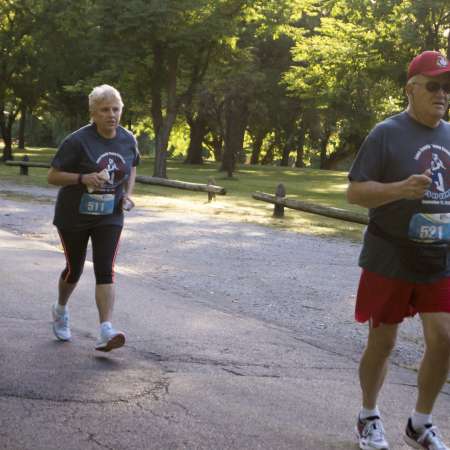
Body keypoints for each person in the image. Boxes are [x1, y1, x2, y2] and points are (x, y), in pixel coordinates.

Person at [347, 50, 450, 450]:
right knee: (383, 341)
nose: (442, 94)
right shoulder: (386, 132)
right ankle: (368, 415)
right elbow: (355, 191)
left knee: (444, 338)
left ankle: (420, 423)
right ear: (411, 88)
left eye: (447, 87)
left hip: (438, 257)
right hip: (390, 256)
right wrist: (399, 190)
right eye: (433, 86)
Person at [48, 84, 139, 352]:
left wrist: (127, 194)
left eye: (116, 109)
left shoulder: (127, 139)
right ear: (93, 112)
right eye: (105, 110)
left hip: (109, 215)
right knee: (74, 269)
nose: (111, 114)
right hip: (73, 215)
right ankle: (61, 309)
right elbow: (52, 176)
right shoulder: (77, 141)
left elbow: (132, 167)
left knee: (105, 269)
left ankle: (105, 330)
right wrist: (82, 178)